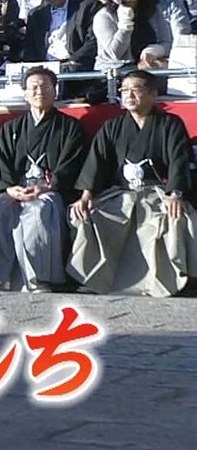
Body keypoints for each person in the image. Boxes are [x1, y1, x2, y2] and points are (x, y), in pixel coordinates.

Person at [68, 71, 197, 296]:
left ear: (153, 94)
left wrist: (175, 193)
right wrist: (87, 194)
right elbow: (96, 162)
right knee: (90, 214)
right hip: (121, 192)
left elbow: (179, 161)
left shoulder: (170, 124)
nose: (128, 95)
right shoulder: (112, 127)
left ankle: (166, 281)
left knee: (177, 216)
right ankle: (94, 279)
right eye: (124, 90)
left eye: (135, 90)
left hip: (158, 191)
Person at [0, 68, 87, 291]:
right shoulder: (11, 129)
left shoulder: (70, 128)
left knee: (38, 212)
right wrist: (10, 188)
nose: (39, 91)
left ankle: (38, 280)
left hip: (50, 190)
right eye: (33, 87)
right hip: (16, 189)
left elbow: (70, 165)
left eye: (45, 86)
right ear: (24, 93)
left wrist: (46, 187)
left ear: (55, 90)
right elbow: (3, 166)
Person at [94, 0, 189, 71]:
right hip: (115, 72)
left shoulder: (153, 10)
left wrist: (156, 50)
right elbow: (114, 54)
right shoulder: (104, 16)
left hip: (148, 67)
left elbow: (167, 41)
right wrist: (125, 27)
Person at [22, 0, 100, 70]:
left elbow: (93, 42)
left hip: (76, 67)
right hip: (44, 70)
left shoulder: (87, 7)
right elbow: (30, 50)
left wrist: (72, 62)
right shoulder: (36, 14)